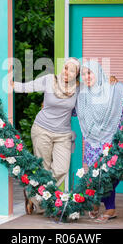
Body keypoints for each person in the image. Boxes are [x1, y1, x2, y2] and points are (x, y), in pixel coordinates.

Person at [12, 57, 80, 214]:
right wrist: (11, 84)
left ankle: (33, 194)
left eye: (72, 70)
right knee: (44, 168)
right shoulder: (49, 80)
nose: (67, 72)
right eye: (65, 68)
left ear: (76, 74)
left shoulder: (78, 89)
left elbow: (96, 94)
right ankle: (41, 200)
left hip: (63, 134)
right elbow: (27, 86)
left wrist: (111, 83)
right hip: (42, 129)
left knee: (61, 169)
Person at [75, 60, 123, 223]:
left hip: (114, 140)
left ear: (98, 73)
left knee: (110, 175)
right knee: (96, 175)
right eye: (83, 74)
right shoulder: (82, 95)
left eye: (90, 73)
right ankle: (105, 207)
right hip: (93, 142)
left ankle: (100, 204)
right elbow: (72, 110)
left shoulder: (114, 88)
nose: (86, 77)